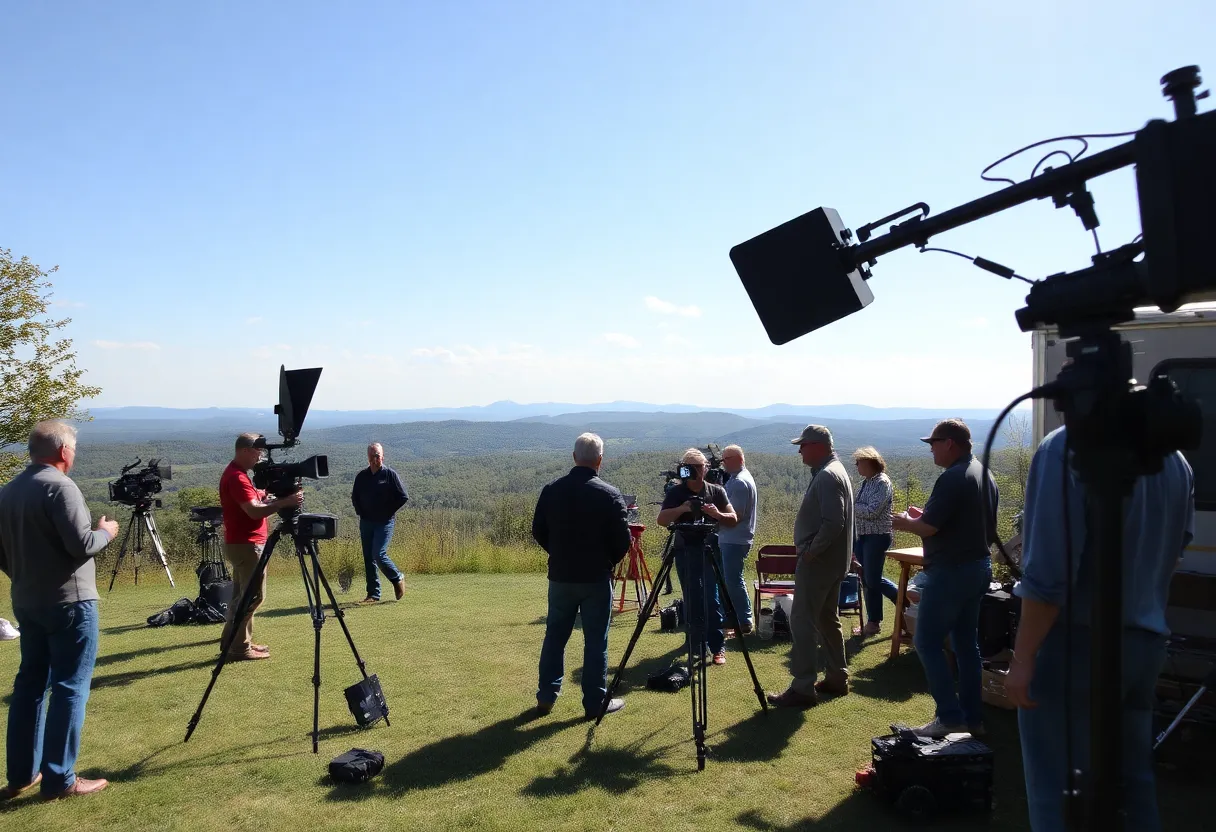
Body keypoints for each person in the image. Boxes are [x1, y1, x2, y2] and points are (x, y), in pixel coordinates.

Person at [1005, 426, 1193, 831]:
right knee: (1133, 785)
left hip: (1075, 646)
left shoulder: (1065, 447)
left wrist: (1022, 660)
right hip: (1145, 645)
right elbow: (1176, 552)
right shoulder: (1172, 455)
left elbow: (1049, 579)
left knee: (1057, 789)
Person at [0, 421, 118, 800]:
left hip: (27, 600)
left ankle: (21, 776)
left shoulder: (9, 491)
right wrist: (108, 531)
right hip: (70, 602)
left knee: (30, 687)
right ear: (64, 451)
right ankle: (60, 779)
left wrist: (23, 575)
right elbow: (81, 545)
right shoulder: (59, 486)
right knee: (70, 687)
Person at [892, 418, 997, 737]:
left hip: (950, 572)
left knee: (926, 642)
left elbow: (930, 528)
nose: (931, 450)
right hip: (978, 566)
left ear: (949, 443)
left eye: (933, 443)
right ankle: (972, 718)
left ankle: (950, 717)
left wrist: (903, 522)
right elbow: (955, 521)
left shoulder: (952, 478)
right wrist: (922, 519)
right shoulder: (983, 472)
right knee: (966, 645)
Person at [532, 433, 632, 718]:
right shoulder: (610, 495)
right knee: (596, 641)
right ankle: (593, 703)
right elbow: (622, 541)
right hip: (596, 578)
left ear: (574, 457)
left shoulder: (551, 490)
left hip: (561, 576)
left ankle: (546, 696)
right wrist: (607, 561)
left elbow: (538, 529)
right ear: (600, 460)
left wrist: (558, 553)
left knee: (555, 636)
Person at [767, 425, 854, 707]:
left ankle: (803, 688)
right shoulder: (835, 470)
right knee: (827, 619)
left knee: (802, 621)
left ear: (817, 445)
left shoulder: (828, 475)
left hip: (819, 564)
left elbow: (834, 522)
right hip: (832, 563)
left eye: (802, 446)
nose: (800, 451)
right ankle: (837, 678)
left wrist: (810, 553)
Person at [218, 433, 303, 662]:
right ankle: (238, 648)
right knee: (252, 596)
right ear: (245, 451)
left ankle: (236, 643)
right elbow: (254, 510)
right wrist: (285, 502)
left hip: (241, 543)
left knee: (241, 597)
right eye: (257, 452)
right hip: (246, 544)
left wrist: (269, 495)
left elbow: (254, 499)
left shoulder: (238, 475)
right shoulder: (237, 477)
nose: (260, 456)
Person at [657, 449, 738, 665]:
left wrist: (716, 514)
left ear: (705, 468)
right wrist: (682, 509)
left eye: (698, 467)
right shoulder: (676, 493)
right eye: (689, 467)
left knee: (711, 599)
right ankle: (695, 644)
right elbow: (662, 520)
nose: (694, 471)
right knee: (691, 598)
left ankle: (717, 646)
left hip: (709, 549)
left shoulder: (716, 491)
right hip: (684, 550)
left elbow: (733, 518)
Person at [351, 443, 408, 604]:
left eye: (377, 455)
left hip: (384, 523)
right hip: (366, 522)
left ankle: (397, 577)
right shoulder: (362, 476)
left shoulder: (389, 475)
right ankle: (373, 595)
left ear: (383, 456)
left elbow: (403, 496)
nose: (375, 459)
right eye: (372, 456)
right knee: (368, 557)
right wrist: (360, 512)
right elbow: (355, 496)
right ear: (368, 458)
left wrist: (388, 511)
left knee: (379, 554)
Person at [852, 446, 899, 637]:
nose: (856, 466)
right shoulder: (866, 482)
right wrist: (857, 507)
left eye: (859, 462)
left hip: (877, 537)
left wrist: (852, 506)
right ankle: (873, 622)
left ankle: (903, 598)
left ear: (870, 463)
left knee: (872, 578)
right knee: (866, 579)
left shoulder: (882, 482)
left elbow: (872, 511)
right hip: (862, 537)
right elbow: (864, 508)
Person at [717, 444, 758, 634]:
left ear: (739, 459)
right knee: (732, 579)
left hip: (734, 537)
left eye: (727, 459)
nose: (723, 463)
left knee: (733, 580)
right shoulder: (738, 479)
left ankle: (744, 620)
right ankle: (738, 617)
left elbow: (737, 515)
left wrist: (713, 514)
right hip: (735, 537)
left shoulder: (739, 482)